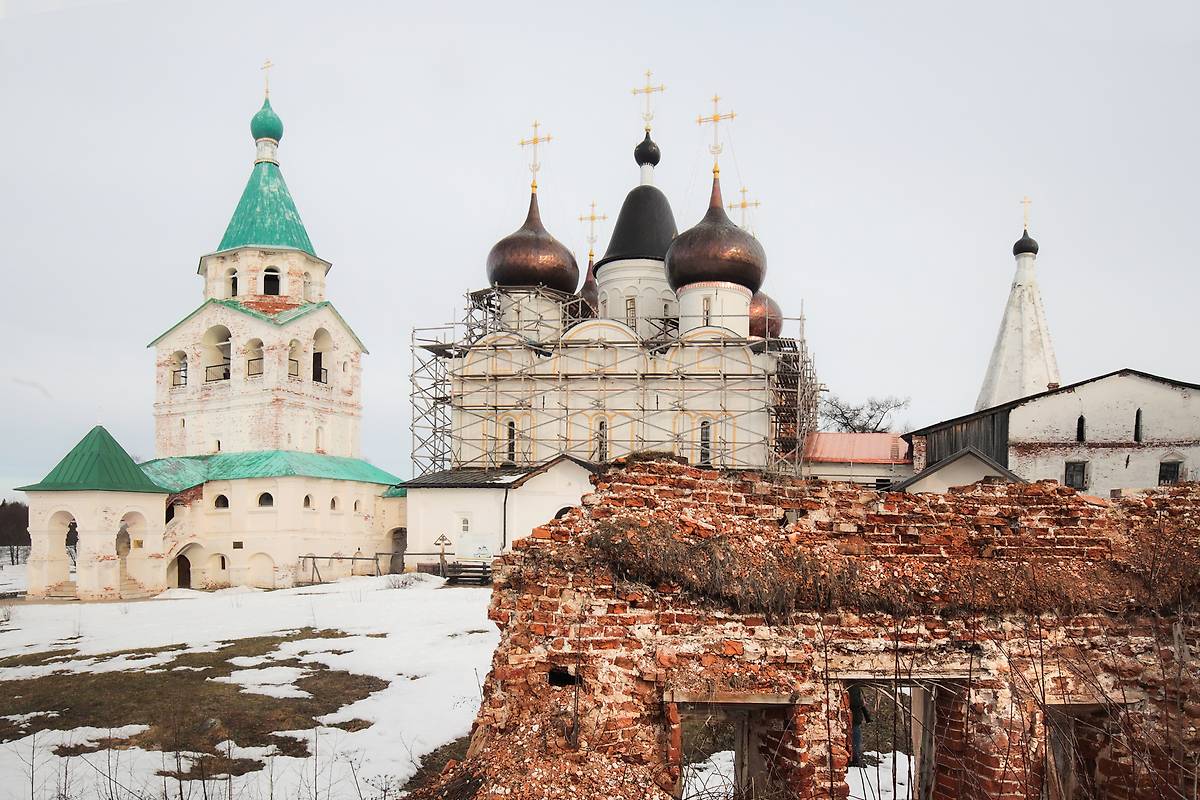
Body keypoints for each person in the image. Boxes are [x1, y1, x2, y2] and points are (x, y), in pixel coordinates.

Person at [849, 684, 873, 768]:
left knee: (856, 740)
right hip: (854, 720)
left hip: (855, 719)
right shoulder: (853, 687)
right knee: (856, 741)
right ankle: (855, 760)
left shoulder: (854, 687)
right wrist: (861, 702)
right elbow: (855, 702)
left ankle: (855, 759)